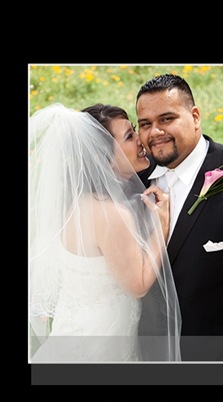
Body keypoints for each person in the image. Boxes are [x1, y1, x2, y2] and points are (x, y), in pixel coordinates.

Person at [28, 103, 181, 362]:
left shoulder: (75, 199)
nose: (141, 141)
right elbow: (138, 284)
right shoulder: (110, 214)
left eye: (134, 130)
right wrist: (161, 226)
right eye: (130, 137)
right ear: (103, 158)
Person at [136, 74, 223, 361]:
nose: (155, 132)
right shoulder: (132, 178)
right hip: (146, 351)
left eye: (166, 119)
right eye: (145, 124)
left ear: (195, 116)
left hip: (217, 353)